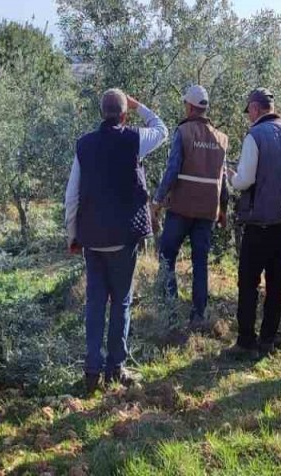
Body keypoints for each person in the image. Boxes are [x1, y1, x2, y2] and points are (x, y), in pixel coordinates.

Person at [65, 88, 167, 396]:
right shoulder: (134, 139)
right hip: (124, 239)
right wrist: (141, 107)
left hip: (92, 240)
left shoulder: (84, 145)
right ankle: (116, 368)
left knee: (95, 303)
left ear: (101, 113)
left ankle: (91, 371)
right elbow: (162, 131)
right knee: (121, 302)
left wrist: (73, 235)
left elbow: (71, 196)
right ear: (124, 114)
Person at [228, 87, 281, 359]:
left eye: (249, 111)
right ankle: (269, 339)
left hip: (258, 221)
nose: (248, 117)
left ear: (254, 108)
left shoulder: (255, 136)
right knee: (276, 281)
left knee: (249, 281)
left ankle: (246, 340)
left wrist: (231, 177)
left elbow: (245, 180)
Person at [150, 85, 229, 328]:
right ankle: (198, 315)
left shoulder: (183, 132)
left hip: (182, 208)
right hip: (208, 211)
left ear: (190, 107)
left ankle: (171, 309)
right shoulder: (221, 138)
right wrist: (223, 209)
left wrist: (157, 201)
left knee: (166, 256)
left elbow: (173, 169)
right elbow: (223, 178)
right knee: (200, 262)